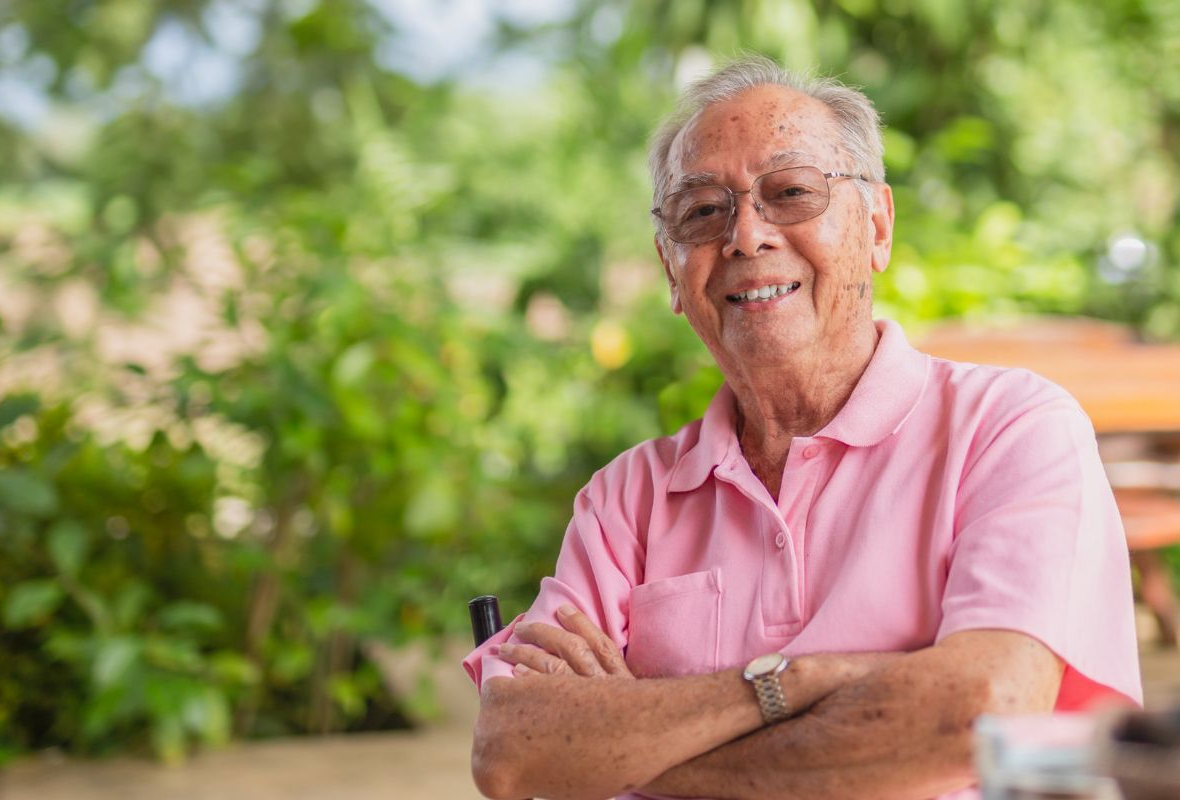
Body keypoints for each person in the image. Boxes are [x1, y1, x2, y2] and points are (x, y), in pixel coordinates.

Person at [461, 55, 1142, 800]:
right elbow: (515, 749)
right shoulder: (627, 497)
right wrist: (794, 685)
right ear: (670, 268)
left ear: (876, 226)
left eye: (790, 193)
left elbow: (978, 715)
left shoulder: (1010, 429)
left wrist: (629, 739)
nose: (746, 237)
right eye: (702, 212)